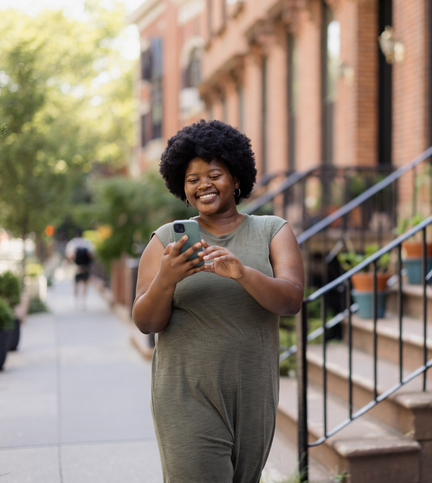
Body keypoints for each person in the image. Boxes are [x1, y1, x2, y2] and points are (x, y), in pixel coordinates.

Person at [132, 120, 305, 483]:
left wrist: (243, 273)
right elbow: (146, 322)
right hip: (186, 394)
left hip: (254, 392)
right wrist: (167, 277)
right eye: (192, 179)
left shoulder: (272, 230)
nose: (203, 185)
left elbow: (291, 300)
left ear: (237, 177)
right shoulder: (165, 241)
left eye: (214, 174)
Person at [65, 228, 95, 308]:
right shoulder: (87, 242)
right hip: (85, 266)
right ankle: (83, 299)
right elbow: (92, 254)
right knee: (84, 282)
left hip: (76, 266)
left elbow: (69, 256)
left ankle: (75, 298)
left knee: (76, 282)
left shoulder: (72, 243)